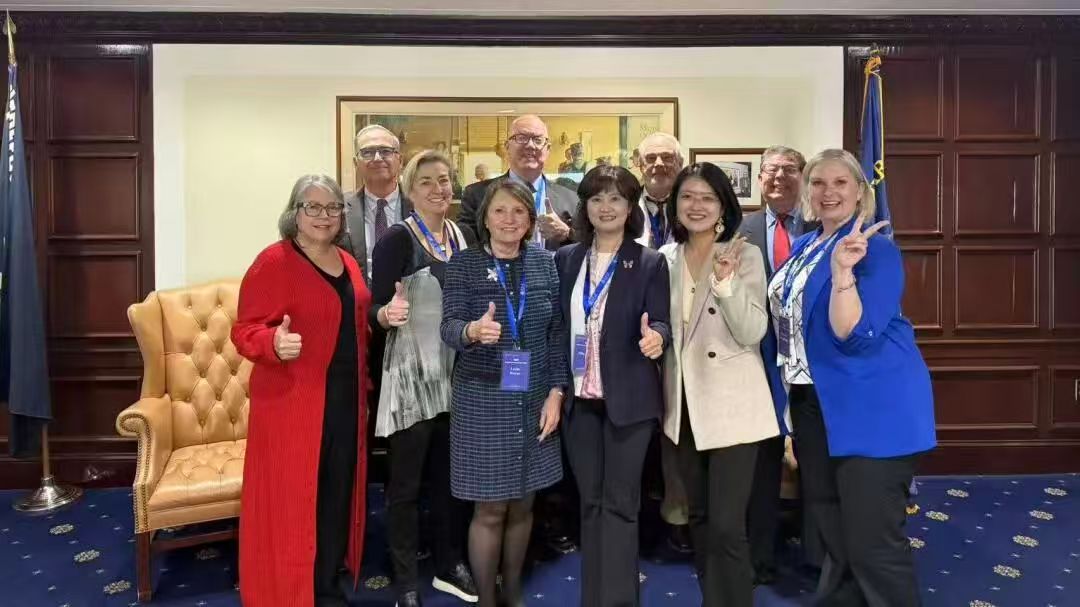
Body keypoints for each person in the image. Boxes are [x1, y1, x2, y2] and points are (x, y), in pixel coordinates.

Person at [768, 148, 935, 606]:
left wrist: (843, 272)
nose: (828, 192)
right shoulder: (803, 247)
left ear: (860, 192)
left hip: (871, 408)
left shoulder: (875, 250)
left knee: (872, 544)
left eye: (840, 182)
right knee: (833, 532)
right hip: (812, 403)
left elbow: (854, 335)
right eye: (818, 182)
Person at [233, 174, 371, 607]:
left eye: (333, 207)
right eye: (313, 206)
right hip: (293, 407)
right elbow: (244, 331)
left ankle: (326, 589)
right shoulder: (273, 262)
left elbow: (353, 322)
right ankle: (290, 593)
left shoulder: (347, 261)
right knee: (294, 505)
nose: (323, 216)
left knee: (335, 498)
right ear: (295, 212)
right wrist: (272, 343)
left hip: (346, 402)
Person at [440, 179, 568, 607]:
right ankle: (487, 600)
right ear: (485, 218)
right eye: (499, 211)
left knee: (524, 504)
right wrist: (472, 331)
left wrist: (556, 392)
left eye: (518, 211)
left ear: (530, 220)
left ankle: (512, 592)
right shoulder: (464, 264)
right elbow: (449, 327)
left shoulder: (545, 264)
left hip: (534, 398)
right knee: (491, 508)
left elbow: (556, 334)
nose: (509, 219)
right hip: (482, 399)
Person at [659, 163, 780, 607]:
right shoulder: (665, 258)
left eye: (707, 198)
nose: (696, 206)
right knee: (700, 517)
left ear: (723, 206)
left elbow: (752, 331)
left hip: (734, 406)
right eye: (688, 196)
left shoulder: (744, 254)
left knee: (728, 525)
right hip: (684, 406)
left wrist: (726, 283)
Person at [555, 165, 671, 606]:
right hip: (579, 403)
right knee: (590, 503)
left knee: (621, 504)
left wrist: (656, 337)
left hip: (630, 403)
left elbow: (661, 320)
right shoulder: (566, 259)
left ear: (630, 207)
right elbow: (557, 328)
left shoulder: (649, 262)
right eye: (597, 198)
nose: (606, 207)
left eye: (616, 198)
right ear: (585, 206)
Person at [370, 150, 477, 607]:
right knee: (406, 487)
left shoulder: (464, 235)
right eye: (427, 181)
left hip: (458, 376)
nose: (438, 188)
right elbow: (375, 309)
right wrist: (387, 314)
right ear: (410, 190)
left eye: (445, 180)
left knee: (450, 480)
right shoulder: (397, 239)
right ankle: (406, 582)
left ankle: (449, 564)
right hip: (412, 380)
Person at [737, 145, 819, 585]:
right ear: (760, 178)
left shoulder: (820, 226)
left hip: (811, 366)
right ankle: (760, 559)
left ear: (802, 177)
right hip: (757, 362)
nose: (780, 177)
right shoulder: (740, 229)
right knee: (761, 467)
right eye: (771, 170)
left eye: (790, 170)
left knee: (816, 462)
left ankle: (817, 558)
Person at [633, 131, 693, 554]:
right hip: (633, 335)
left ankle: (677, 516)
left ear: (680, 163)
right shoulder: (623, 206)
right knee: (635, 430)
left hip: (684, 334)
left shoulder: (692, 206)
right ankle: (636, 518)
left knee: (677, 433)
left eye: (667, 158)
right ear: (639, 164)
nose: (659, 165)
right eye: (651, 158)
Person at [458, 115, 578, 252]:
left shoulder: (571, 198)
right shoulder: (476, 195)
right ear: (507, 147)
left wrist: (567, 233)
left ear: (548, 149)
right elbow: (464, 245)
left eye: (538, 140)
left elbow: (589, 247)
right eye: (521, 138)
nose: (530, 145)